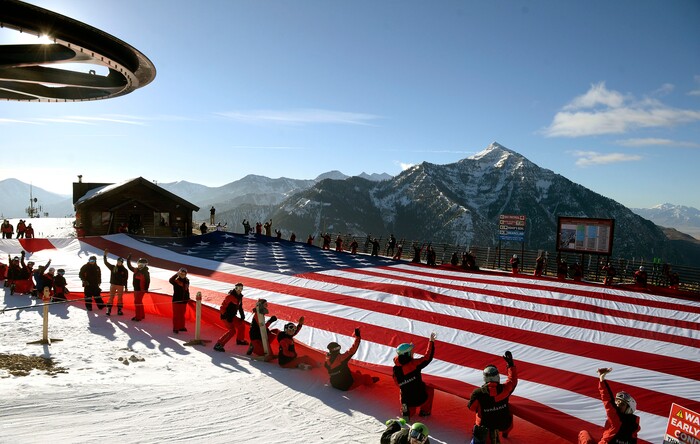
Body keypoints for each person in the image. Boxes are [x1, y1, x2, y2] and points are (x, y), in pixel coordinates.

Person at [578, 368, 640, 444]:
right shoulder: (634, 428)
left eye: (622, 404)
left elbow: (607, 399)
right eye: (617, 402)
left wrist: (602, 379)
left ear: (629, 409)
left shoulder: (616, 419)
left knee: (583, 434)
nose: (618, 405)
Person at [468, 351, 517, 442]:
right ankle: (505, 433)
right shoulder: (505, 389)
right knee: (509, 411)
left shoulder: (478, 393)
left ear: (484, 378)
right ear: (497, 376)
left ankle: (480, 438)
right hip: (504, 424)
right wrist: (510, 365)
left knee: (479, 416)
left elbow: (471, 408)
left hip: (485, 427)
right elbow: (512, 381)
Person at [393, 333, 436, 420]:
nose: (413, 352)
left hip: (407, 401)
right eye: (411, 352)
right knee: (429, 389)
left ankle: (406, 413)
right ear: (407, 354)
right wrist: (431, 342)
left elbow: (397, 383)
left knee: (403, 392)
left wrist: (407, 382)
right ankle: (425, 412)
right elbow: (428, 358)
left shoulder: (395, 369)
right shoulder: (415, 364)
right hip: (421, 397)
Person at [213, 283, 249, 352]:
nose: (239, 290)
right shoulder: (230, 297)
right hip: (225, 316)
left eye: (241, 288)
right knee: (232, 331)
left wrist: (242, 315)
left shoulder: (240, 297)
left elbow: (240, 307)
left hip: (232, 316)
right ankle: (219, 344)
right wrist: (226, 316)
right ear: (235, 288)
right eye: (238, 288)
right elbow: (222, 307)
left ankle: (240, 340)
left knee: (241, 325)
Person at [103, 249, 128, 316]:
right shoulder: (113, 267)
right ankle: (108, 310)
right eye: (118, 261)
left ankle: (119, 310)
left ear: (122, 262)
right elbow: (106, 263)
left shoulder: (124, 270)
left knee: (120, 298)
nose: (119, 262)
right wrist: (105, 255)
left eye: (120, 261)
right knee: (111, 297)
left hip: (120, 286)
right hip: (113, 285)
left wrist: (126, 287)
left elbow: (126, 279)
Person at [126, 256, 150, 322]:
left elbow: (147, 281)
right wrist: (128, 259)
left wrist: (146, 289)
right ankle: (142, 315)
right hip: (136, 289)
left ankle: (138, 317)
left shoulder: (145, 272)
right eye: (138, 264)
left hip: (141, 290)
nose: (139, 266)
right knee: (139, 302)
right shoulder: (136, 270)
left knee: (137, 302)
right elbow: (129, 267)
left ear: (144, 265)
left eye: (141, 265)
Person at [168, 267, 191, 333]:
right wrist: (176, 274)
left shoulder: (187, 280)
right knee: (176, 315)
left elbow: (187, 290)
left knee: (182, 314)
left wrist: (187, 298)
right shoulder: (176, 280)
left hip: (183, 301)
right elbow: (170, 280)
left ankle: (181, 327)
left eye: (184, 274)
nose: (182, 275)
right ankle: (176, 328)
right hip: (176, 300)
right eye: (181, 273)